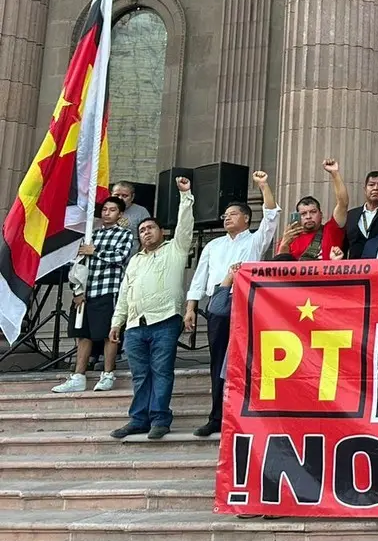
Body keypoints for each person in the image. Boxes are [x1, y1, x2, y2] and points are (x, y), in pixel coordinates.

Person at [184, 170, 278, 438]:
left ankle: (245, 414)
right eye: (225, 215)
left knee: (246, 360)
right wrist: (191, 307)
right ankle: (217, 416)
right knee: (218, 362)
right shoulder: (213, 245)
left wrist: (263, 185)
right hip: (218, 301)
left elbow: (271, 216)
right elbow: (199, 277)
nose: (226, 217)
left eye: (232, 214)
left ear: (246, 218)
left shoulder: (255, 240)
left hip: (247, 299)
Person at [108, 176, 195, 440]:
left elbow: (185, 227)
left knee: (161, 372)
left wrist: (186, 195)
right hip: (135, 326)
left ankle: (160, 418)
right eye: (142, 230)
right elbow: (125, 293)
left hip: (165, 320)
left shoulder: (175, 249)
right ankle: (138, 419)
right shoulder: (134, 261)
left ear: (162, 232)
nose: (146, 232)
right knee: (139, 375)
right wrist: (117, 322)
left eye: (151, 228)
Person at [52, 196, 134, 394]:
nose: (107, 213)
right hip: (86, 293)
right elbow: (77, 265)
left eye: (112, 210)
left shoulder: (125, 234)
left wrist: (95, 251)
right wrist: (77, 291)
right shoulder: (91, 235)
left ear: (120, 214)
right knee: (83, 334)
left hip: (107, 290)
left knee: (108, 334)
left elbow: (120, 257)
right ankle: (79, 376)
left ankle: (108, 374)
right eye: (105, 209)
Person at [275, 159, 349, 260]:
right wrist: (284, 244)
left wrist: (334, 173)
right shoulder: (290, 238)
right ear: (298, 216)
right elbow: (280, 269)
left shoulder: (331, 230)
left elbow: (343, 203)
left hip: (326, 275)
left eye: (313, 212)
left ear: (321, 214)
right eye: (303, 214)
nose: (308, 216)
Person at [345, 170, 378, 258]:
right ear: (365, 189)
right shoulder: (351, 215)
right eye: (371, 185)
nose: (375, 188)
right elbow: (344, 245)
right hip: (355, 268)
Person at [110, 180, 151, 252]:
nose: (120, 198)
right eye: (116, 195)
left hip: (131, 259)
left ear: (132, 197)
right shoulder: (104, 210)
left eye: (124, 196)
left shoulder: (141, 211)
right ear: (111, 195)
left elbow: (147, 238)